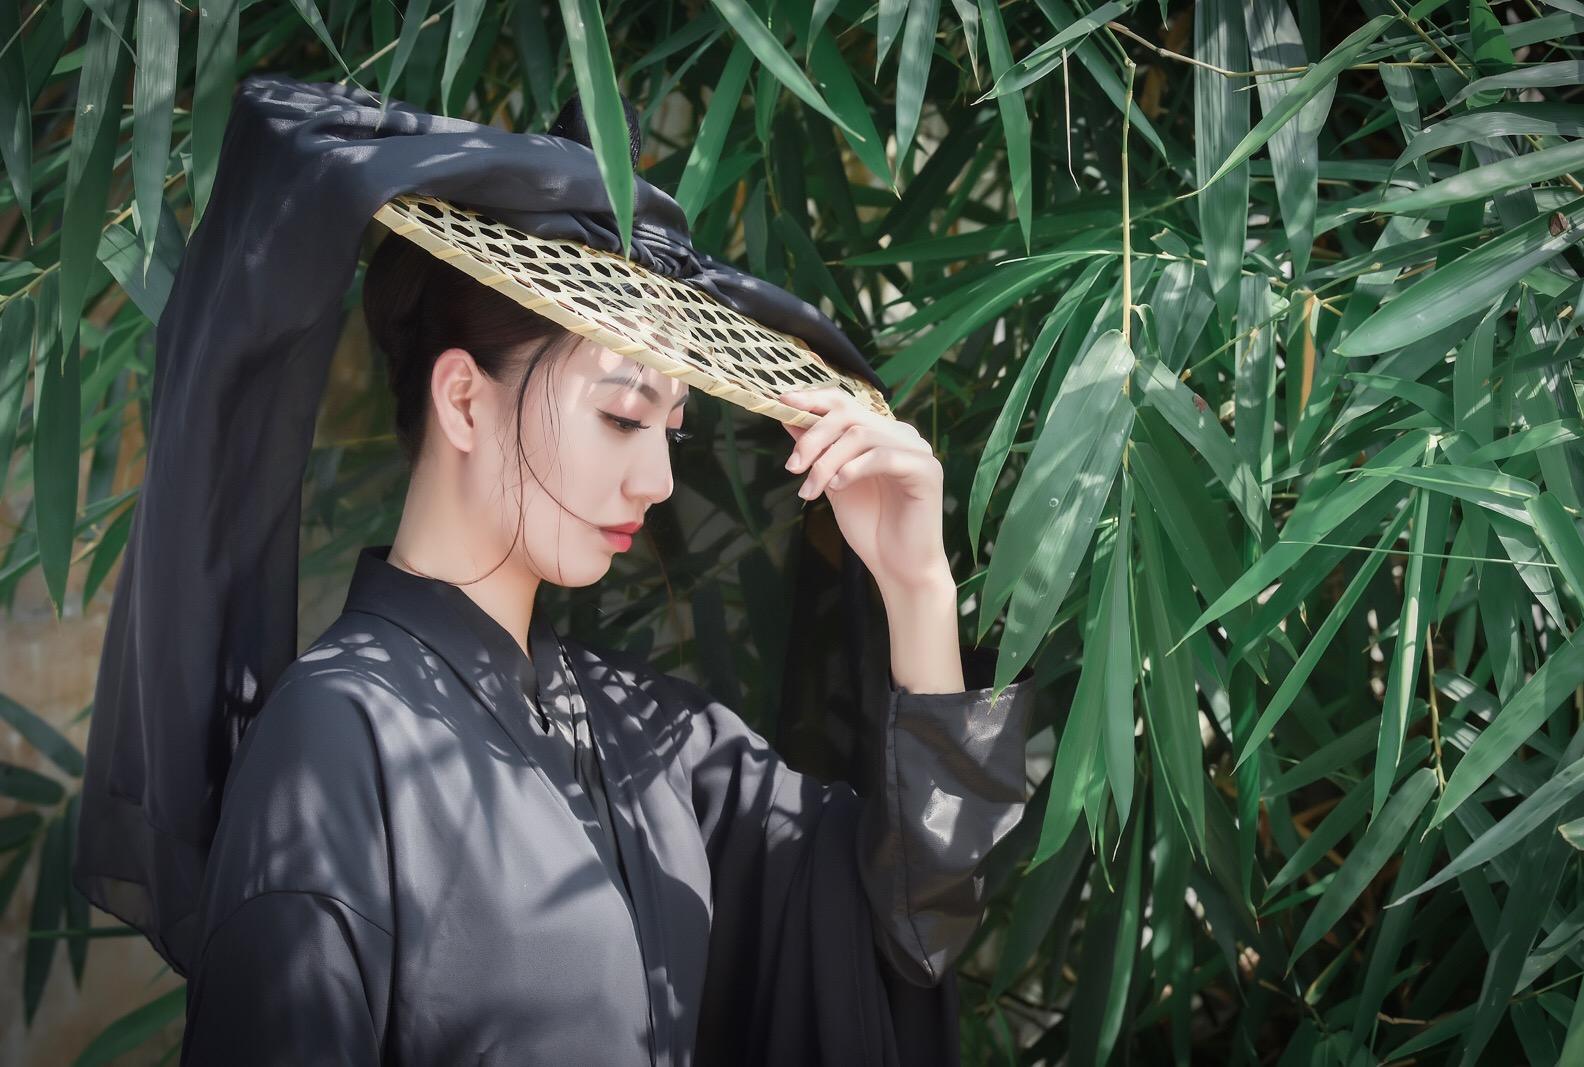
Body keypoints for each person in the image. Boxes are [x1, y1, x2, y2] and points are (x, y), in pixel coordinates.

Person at [73, 72, 1036, 1067]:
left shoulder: (648, 735)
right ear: (463, 399)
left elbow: (915, 916)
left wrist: (918, 589)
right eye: (621, 416)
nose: (659, 479)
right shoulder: (333, 744)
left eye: (670, 428)